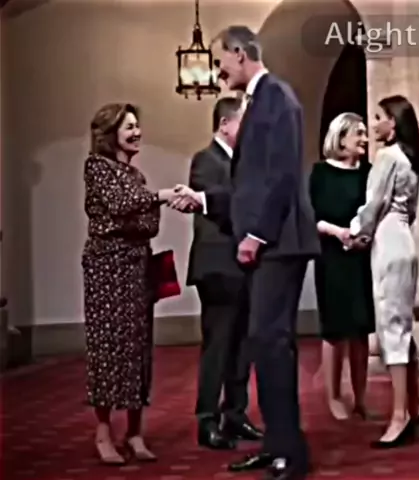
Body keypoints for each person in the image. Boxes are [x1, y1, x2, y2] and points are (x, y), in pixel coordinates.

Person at [174, 26, 320, 480]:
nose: (218, 73)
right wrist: (204, 200)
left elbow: (281, 174)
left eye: (220, 61)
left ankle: (290, 452)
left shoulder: (277, 97)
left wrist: (256, 234)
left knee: (270, 342)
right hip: (271, 240)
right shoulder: (259, 101)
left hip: (279, 242)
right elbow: (249, 184)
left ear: (239, 53)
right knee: (264, 342)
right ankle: (276, 444)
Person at [81, 103, 186, 464]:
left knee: (138, 350)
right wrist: (159, 197)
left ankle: (135, 432)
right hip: (107, 270)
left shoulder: (135, 175)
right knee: (109, 349)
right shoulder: (96, 166)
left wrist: (144, 208)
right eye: (128, 126)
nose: (137, 132)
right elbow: (120, 204)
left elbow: (147, 225)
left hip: (137, 266)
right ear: (110, 133)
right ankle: (103, 433)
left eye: (137, 125)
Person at [349, 95, 419, 448]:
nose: (374, 123)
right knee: (401, 325)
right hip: (404, 238)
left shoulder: (387, 157)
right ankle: (414, 403)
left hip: (388, 241)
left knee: (392, 328)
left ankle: (400, 415)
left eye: (379, 116)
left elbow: (374, 204)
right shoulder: (409, 159)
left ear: (393, 123)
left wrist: (355, 234)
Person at [187, 97, 262, 450]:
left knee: (242, 346)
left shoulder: (243, 162)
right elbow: (219, 199)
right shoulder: (206, 159)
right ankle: (207, 419)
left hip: (245, 266)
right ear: (224, 124)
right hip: (218, 266)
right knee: (218, 345)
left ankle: (235, 414)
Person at [309, 112, 374, 421]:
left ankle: (360, 398)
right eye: (358, 133)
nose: (365, 138)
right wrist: (339, 233)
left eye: (365, 132)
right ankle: (334, 397)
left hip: (363, 258)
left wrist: (365, 236)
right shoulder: (320, 174)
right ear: (341, 137)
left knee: (361, 330)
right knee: (335, 329)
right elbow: (311, 217)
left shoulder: (369, 173)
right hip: (332, 257)